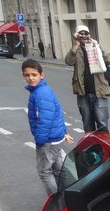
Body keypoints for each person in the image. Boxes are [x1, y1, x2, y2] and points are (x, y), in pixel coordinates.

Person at [22, 59, 74, 196]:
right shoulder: (43, 90)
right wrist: (64, 132)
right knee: (57, 169)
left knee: (44, 172)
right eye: (27, 75)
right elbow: (57, 112)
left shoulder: (40, 93)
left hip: (48, 140)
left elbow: (46, 119)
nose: (30, 78)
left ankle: (56, 203)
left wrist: (40, 140)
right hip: (55, 137)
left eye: (34, 74)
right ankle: (65, 197)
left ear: (41, 75)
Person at [65, 25, 110, 132]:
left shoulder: (95, 47)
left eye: (86, 34)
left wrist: (97, 46)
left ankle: (104, 148)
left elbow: (109, 60)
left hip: (100, 91)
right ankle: (91, 147)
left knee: (102, 123)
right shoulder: (76, 50)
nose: (84, 36)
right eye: (81, 34)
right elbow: (68, 61)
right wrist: (75, 45)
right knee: (87, 123)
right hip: (83, 92)